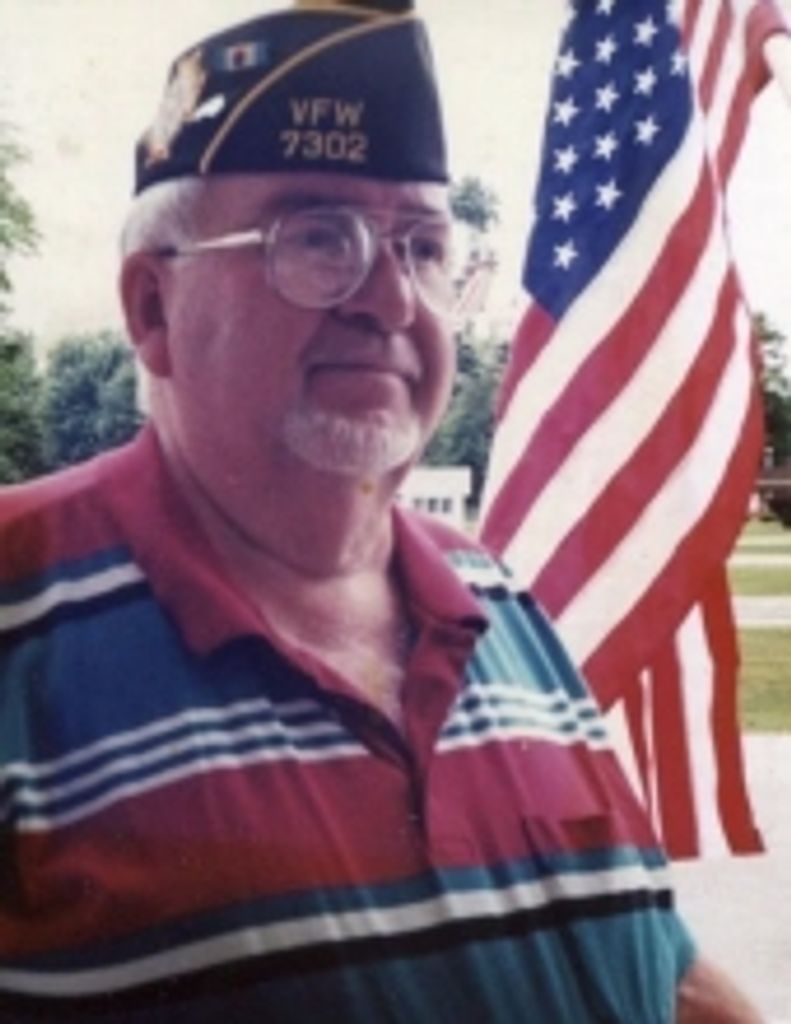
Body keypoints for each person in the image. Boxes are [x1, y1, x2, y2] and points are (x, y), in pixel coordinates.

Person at [0, 1, 764, 1020]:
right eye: (318, 238)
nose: (392, 301)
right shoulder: (19, 611)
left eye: (423, 247)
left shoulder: (495, 602)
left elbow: (649, 959)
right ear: (152, 308)